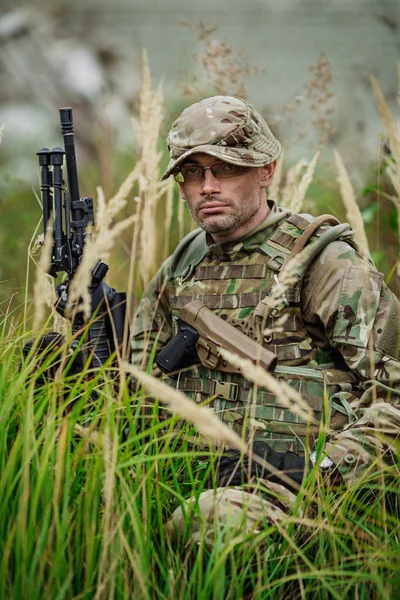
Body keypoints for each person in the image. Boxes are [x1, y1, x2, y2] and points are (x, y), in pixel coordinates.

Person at [131, 95, 400, 544]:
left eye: (226, 168)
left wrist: (317, 471)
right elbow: (140, 379)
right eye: (192, 172)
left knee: (201, 522)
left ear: (267, 170)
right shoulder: (182, 264)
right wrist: (79, 362)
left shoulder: (324, 264)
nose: (208, 186)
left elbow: (394, 398)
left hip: (309, 493)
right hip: (196, 471)